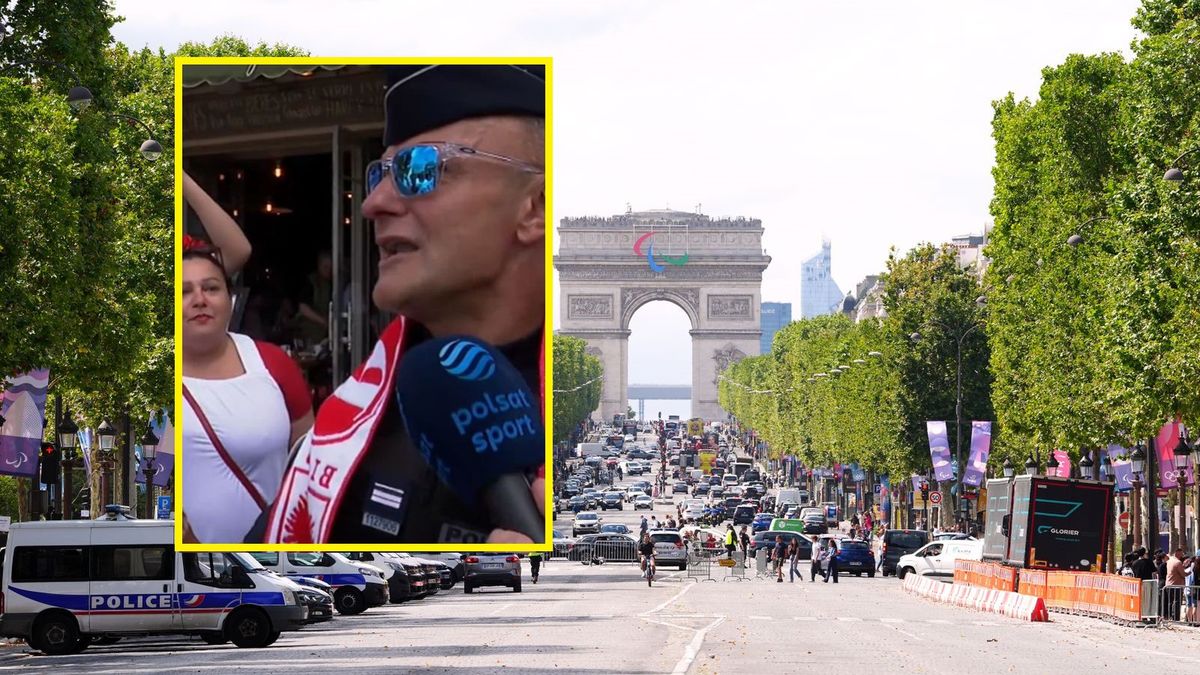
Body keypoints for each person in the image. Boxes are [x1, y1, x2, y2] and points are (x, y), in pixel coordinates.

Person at [258, 65, 547, 544]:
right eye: (380, 173)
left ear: (533, 207)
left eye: (420, 168)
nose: (373, 203)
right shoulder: (342, 432)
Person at [182, 236, 314, 544]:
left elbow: (311, 464)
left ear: (231, 298)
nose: (200, 299)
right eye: (184, 291)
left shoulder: (273, 363)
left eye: (211, 288)